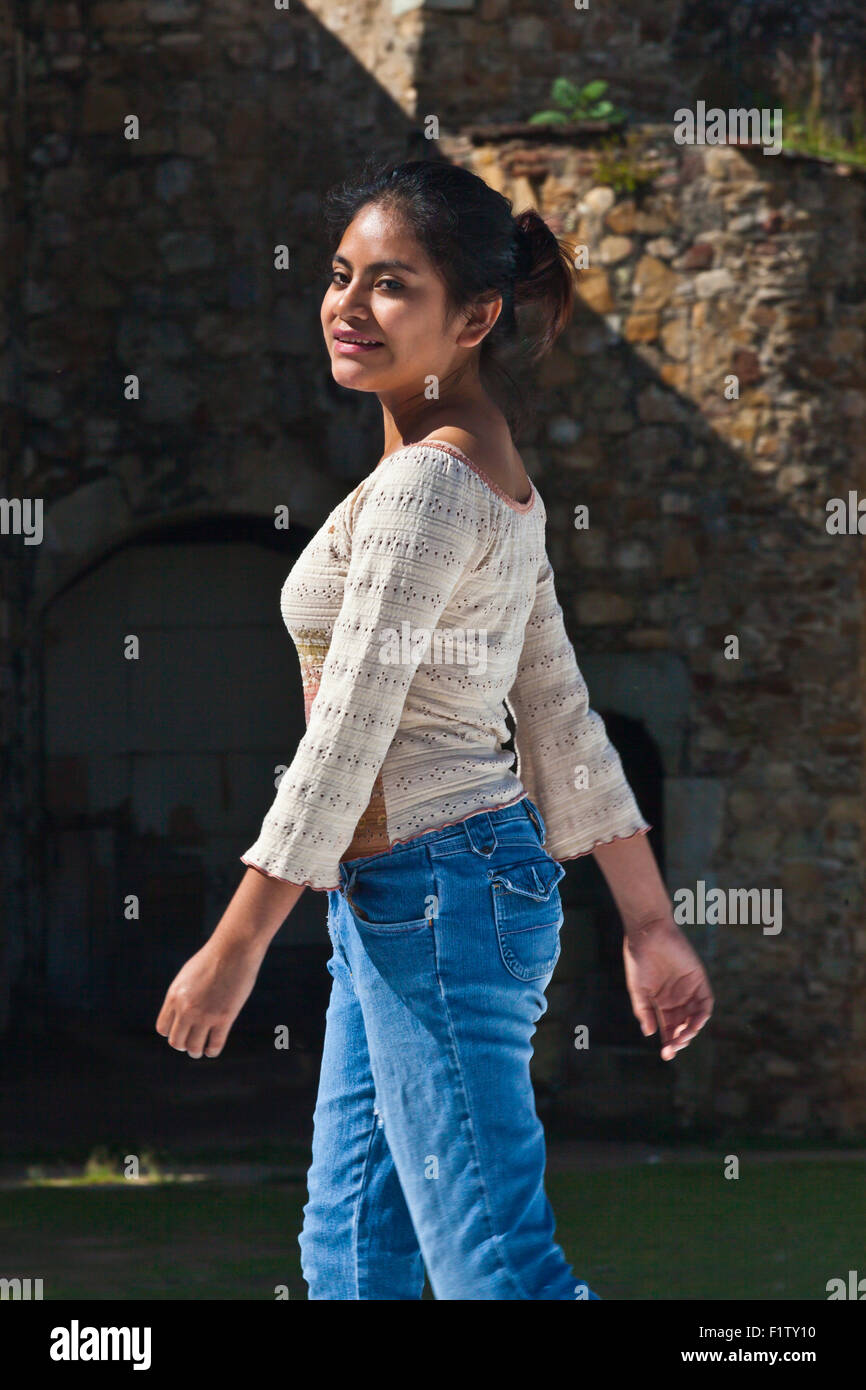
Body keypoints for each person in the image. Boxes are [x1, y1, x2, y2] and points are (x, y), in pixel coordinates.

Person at [156, 157, 713, 1300]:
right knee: (352, 1261)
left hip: (439, 894)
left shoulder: (427, 489)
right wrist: (649, 923)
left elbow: (352, 723)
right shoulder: (470, 472)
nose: (348, 307)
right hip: (416, 896)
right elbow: (558, 710)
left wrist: (236, 944)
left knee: (494, 1267)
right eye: (339, 275)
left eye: (391, 285)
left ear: (474, 318)